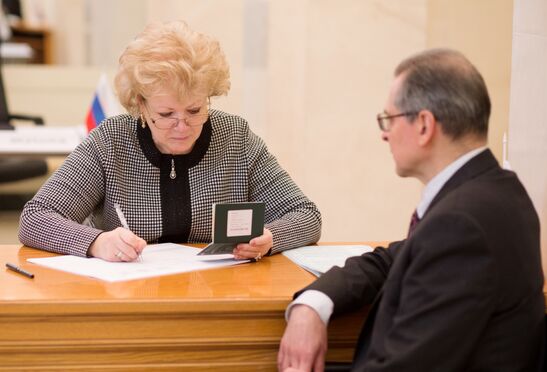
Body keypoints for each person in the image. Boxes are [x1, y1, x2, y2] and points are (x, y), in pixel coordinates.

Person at [278, 49, 545, 371]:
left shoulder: (462, 223)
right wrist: (312, 303)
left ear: (423, 125)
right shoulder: (496, 190)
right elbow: (391, 260)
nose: (384, 134)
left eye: (388, 119)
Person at [18, 20, 321, 262]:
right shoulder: (110, 142)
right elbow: (35, 218)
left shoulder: (235, 138)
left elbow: (306, 215)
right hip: (125, 299)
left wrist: (270, 238)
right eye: (165, 113)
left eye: (194, 110)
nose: (182, 126)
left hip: (216, 295)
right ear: (140, 103)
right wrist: (96, 242)